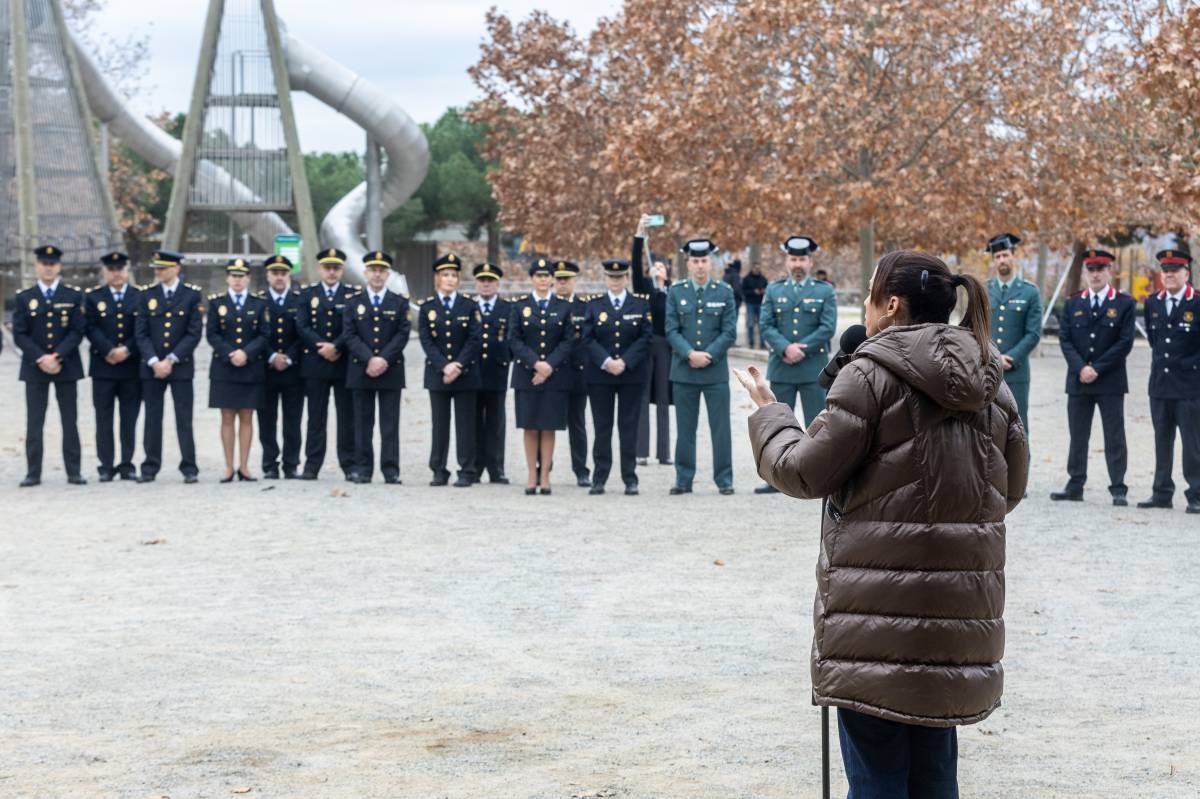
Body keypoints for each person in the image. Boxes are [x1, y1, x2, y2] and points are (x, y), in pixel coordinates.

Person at [738, 250, 1027, 798]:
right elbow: (1007, 491)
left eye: (871, 295)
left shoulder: (870, 378)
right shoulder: (991, 379)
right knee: (935, 781)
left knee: (876, 781)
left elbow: (803, 472)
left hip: (875, 625)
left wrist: (768, 414)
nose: (866, 306)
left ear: (889, 304)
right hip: (957, 622)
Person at [1050, 249, 1134, 506]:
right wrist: (1081, 368)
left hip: (1109, 380)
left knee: (1115, 436)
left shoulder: (1124, 303)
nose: (1095, 274)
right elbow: (1064, 339)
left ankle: (1118, 487)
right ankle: (1075, 484)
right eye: (1091, 270)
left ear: (1110, 271)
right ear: (1086, 273)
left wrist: (1096, 368)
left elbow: (1125, 342)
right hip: (1079, 380)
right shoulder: (1073, 302)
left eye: (1101, 269)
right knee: (1078, 435)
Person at [755, 235, 837, 494]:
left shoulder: (824, 290)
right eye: (793, 259)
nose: (797, 264)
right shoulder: (773, 290)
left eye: (802, 259)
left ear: (810, 262)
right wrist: (785, 348)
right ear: (787, 262)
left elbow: (827, 327)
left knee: (818, 425)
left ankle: (818, 476)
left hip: (813, 368)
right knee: (777, 424)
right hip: (782, 366)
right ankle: (776, 477)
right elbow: (766, 325)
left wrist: (802, 348)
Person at [666, 238, 738, 495]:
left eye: (704, 261)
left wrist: (708, 354)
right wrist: (689, 354)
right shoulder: (676, 292)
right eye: (695, 261)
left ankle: (724, 479)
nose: (699, 266)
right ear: (688, 263)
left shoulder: (724, 292)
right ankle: (683, 479)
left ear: (711, 263)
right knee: (685, 429)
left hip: (714, 371)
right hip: (684, 371)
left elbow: (729, 331)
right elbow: (671, 329)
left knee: (720, 429)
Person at [13, 244, 87, 487]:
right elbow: (20, 334)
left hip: (65, 366)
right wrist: (41, 358)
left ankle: (73, 471)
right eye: (44, 264)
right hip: (35, 368)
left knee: (70, 421)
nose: (48, 268)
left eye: (52, 264)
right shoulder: (25, 298)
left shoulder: (73, 296)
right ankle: (33, 472)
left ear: (59, 266)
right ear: (37, 266)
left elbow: (77, 331)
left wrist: (56, 356)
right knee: (35, 421)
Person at [581, 258, 653, 495]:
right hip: (600, 375)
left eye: (619, 277)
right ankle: (599, 477)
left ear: (626, 278)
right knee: (602, 428)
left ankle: (629, 478)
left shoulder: (640, 305)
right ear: (606, 279)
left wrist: (625, 361)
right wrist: (607, 361)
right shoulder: (594, 305)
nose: (615, 281)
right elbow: (587, 338)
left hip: (630, 375)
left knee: (628, 427)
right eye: (611, 277)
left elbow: (645, 338)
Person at [1138, 248, 1200, 514]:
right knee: (1162, 441)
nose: (1170, 274)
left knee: (1192, 444)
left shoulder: (1197, 302)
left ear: (1187, 273)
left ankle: (1196, 494)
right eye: (1166, 270)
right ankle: (1161, 491)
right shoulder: (1153, 302)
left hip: (1189, 386)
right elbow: (1155, 342)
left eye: (1175, 270)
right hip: (1160, 385)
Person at [135, 250, 203, 483]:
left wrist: (171, 359)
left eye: (163, 268)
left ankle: (189, 466)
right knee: (152, 417)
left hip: (180, 365)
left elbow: (193, 333)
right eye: (156, 268)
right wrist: (154, 361)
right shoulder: (147, 295)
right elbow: (141, 333)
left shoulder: (191, 295)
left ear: (176, 269)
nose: (158, 271)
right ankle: (150, 466)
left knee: (184, 417)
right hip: (152, 367)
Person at [343, 250, 411, 484]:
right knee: (362, 423)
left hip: (390, 369)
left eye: (382, 270)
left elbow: (402, 334)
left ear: (388, 274)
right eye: (373, 270)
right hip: (361, 369)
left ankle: (391, 469)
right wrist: (369, 359)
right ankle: (363, 469)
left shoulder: (399, 303)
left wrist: (383, 359)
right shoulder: (353, 303)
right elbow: (349, 335)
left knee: (389, 424)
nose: (377, 274)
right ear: (365, 273)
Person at [508, 258, 574, 494]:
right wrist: (535, 363)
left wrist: (549, 366)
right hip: (527, 374)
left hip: (554, 375)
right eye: (539, 276)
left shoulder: (564, 307)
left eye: (547, 276)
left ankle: (545, 474)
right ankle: (531, 473)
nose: (543, 280)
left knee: (548, 427)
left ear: (552, 280)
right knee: (530, 426)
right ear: (532, 279)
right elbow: (514, 339)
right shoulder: (519, 306)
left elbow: (568, 340)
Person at [418, 253, 482, 487]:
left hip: (465, 374)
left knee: (466, 425)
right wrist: (444, 366)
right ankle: (438, 469)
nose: (450, 279)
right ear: (437, 278)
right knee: (440, 424)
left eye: (454, 275)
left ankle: (466, 470)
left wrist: (458, 365)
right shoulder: (427, 307)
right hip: (438, 374)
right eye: (445, 275)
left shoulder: (469, 305)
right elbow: (426, 341)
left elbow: (474, 339)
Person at [296, 247, 359, 481]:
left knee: (346, 417)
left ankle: (349, 464)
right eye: (327, 268)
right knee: (315, 417)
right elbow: (302, 326)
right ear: (320, 269)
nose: (331, 272)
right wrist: (322, 347)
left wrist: (337, 347)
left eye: (336, 268)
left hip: (343, 363)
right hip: (315, 362)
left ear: (341, 270)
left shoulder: (352, 295)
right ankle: (312, 465)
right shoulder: (307, 294)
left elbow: (352, 326)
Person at [206, 257, 270, 482]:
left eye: (241, 276)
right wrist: (231, 353)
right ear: (227, 278)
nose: (237, 280)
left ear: (248, 279)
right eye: (233, 276)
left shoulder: (259, 303)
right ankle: (228, 466)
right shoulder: (216, 303)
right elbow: (212, 334)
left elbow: (264, 334)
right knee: (226, 417)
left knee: (246, 416)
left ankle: (244, 466)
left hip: (250, 367)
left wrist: (247, 353)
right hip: (225, 367)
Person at [85, 251, 142, 482]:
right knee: (104, 418)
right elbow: (89, 327)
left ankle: (127, 463)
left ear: (127, 271)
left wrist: (126, 350)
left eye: (120, 269)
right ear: (104, 272)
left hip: (131, 368)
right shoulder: (92, 297)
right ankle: (106, 465)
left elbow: (142, 329)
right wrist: (108, 350)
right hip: (103, 367)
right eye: (111, 269)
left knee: (129, 418)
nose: (116, 273)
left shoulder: (139, 296)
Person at [986, 232, 1042, 441]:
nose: (1002, 260)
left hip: (1016, 373)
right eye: (998, 256)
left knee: (1018, 428)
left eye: (1005, 255)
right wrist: (992, 358)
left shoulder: (1030, 292)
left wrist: (1010, 357)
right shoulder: (984, 290)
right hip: (988, 370)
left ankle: (1021, 474)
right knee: (987, 427)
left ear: (1014, 257)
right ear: (994, 260)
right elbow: (976, 329)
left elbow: (1033, 333)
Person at [257, 254, 304, 479]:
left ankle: (291, 464)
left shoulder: (299, 300)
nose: (279, 277)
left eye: (283, 273)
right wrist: (272, 355)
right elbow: (256, 334)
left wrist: (288, 357)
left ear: (289, 275)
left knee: (292, 420)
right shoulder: (258, 301)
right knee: (267, 420)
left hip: (293, 369)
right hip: (266, 369)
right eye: (274, 273)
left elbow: (303, 332)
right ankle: (269, 464)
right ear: (267, 275)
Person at [631, 217, 672, 466]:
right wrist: (639, 235)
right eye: (654, 265)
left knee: (664, 400)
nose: (657, 268)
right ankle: (641, 452)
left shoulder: (673, 292)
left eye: (662, 266)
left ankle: (663, 452)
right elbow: (636, 263)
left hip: (666, 347)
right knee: (643, 398)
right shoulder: (643, 288)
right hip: (645, 346)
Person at [471, 262, 512, 484]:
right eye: (482, 281)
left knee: (496, 423)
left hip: (497, 373)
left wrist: (506, 359)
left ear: (497, 284)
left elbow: (513, 339)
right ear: (476, 283)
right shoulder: (469, 307)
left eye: (490, 281)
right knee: (474, 421)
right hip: (473, 373)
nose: (486, 285)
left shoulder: (508, 308)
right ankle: (475, 467)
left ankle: (497, 468)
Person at [555, 260, 592, 487]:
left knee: (577, 425)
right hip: (553, 374)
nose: (562, 283)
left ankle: (581, 470)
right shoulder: (546, 307)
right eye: (558, 279)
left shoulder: (584, 307)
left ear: (574, 281)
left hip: (577, 374)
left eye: (566, 279)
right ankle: (543, 468)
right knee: (546, 424)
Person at [741, 262, 769, 349]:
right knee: (750, 324)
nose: (757, 270)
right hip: (750, 303)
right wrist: (753, 292)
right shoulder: (746, 279)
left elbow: (768, 290)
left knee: (762, 324)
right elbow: (743, 291)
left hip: (761, 303)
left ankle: (762, 343)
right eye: (755, 268)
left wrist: (763, 291)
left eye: (758, 268)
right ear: (752, 269)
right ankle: (751, 343)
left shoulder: (763, 279)